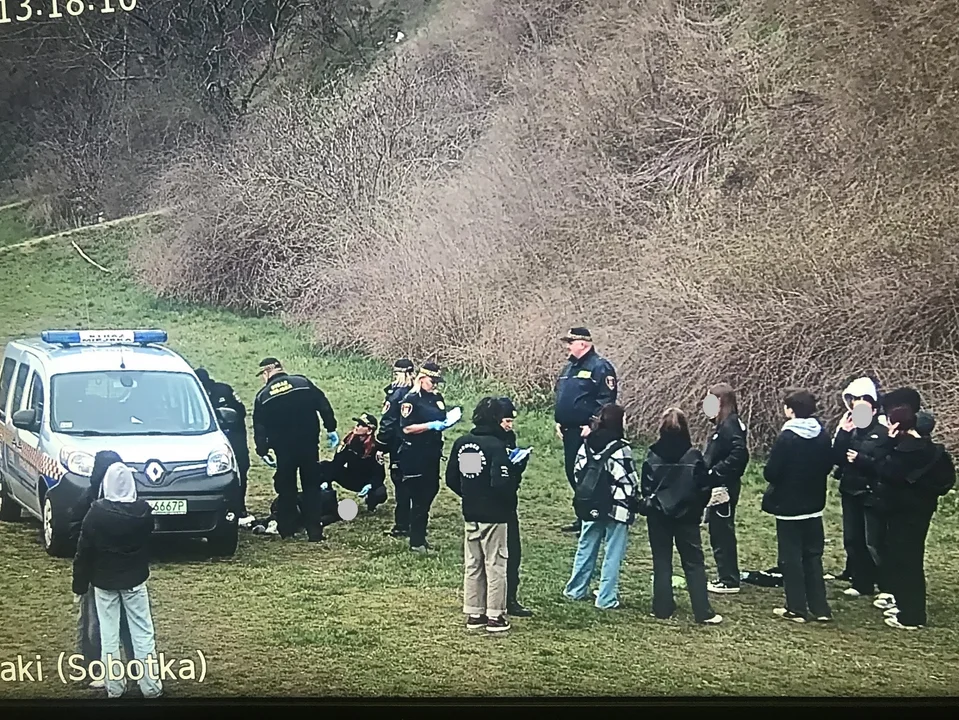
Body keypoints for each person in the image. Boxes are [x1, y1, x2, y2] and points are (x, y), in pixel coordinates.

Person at [71, 463, 163, 699]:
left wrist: (79, 584)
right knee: (143, 633)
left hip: (104, 583)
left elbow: (84, 551)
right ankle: (150, 686)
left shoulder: (96, 513)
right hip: (134, 581)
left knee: (109, 635)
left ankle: (115, 686)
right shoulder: (143, 512)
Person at [867, 389, 955, 630]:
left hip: (899, 513)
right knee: (909, 560)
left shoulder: (900, 453)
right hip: (922, 511)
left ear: (896, 426)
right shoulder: (935, 451)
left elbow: (882, 469)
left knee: (904, 561)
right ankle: (905, 605)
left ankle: (911, 614)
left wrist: (887, 440)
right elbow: (947, 481)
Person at [446, 397, 521, 633]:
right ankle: (495, 616)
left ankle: (474, 612)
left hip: (471, 511)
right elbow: (500, 483)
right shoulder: (495, 446)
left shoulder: (464, 443)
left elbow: (456, 478)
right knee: (496, 563)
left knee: (473, 563)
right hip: (495, 514)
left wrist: (471, 495)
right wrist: (515, 473)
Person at [640, 408, 722, 625]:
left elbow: (646, 487)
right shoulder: (694, 457)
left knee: (661, 561)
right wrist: (695, 509)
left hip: (659, 515)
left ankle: (662, 607)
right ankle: (702, 610)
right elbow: (704, 488)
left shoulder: (652, 455)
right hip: (687, 517)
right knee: (694, 563)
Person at [761, 389, 834, 623]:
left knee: (790, 558)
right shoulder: (822, 434)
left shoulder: (787, 437)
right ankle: (820, 608)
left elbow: (771, 471)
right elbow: (826, 466)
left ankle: (796, 607)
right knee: (813, 556)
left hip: (789, 506)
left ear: (790, 410)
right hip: (814, 504)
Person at [252, 357, 339, 542]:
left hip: (284, 450)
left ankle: (287, 530)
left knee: (286, 490)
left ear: (266, 373)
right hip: (308, 445)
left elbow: (260, 426)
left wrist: (262, 450)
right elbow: (323, 404)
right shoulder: (302, 383)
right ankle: (314, 532)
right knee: (311, 488)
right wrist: (330, 427)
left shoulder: (263, 396)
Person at [68, 450, 134, 690]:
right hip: (99, 573)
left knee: (122, 624)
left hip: (112, 573)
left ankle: (129, 668)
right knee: (93, 624)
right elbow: (77, 535)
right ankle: (94, 668)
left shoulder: (118, 501)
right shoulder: (90, 500)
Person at [563, 404, 638, 610]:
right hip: (617, 507)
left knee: (586, 545)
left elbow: (578, 471)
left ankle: (576, 589)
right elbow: (628, 480)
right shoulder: (621, 447)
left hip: (591, 504)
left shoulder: (587, 444)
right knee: (613, 552)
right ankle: (606, 597)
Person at [553, 327, 618, 535]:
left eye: (571, 342)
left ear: (583, 344)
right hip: (568, 430)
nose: (568, 346)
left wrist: (592, 424)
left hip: (586, 432)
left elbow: (606, 400)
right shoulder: (569, 368)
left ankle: (592, 515)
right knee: (573, 472)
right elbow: (562, 395)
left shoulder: (600, 367)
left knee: (587, 475)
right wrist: (559, 420)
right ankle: (583, 515)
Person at [397, 362, 462, 553]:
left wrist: (446, 421)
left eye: (436, 382)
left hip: (432, 452)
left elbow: (441, 417)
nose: (434, 385)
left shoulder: (436, 398)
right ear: (421, 378)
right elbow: (406, 427)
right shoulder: (411, 400)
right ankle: (416, 541)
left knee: (430, 491)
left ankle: (420, 538)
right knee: (419, 496)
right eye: (432, 381)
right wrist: (430, 425)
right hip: (415, 453)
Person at [701, 382, 749, 594]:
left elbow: (740, 454)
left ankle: (728, 579)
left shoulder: (730, 426)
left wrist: (716, 472)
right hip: (720, 485)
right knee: (718, 529)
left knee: (721, 531)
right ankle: (727, 575)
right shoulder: (725, 424)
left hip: (724, 488)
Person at [195, 367, 254, 526]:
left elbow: (240, 411)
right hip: (209, 440)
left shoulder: (224, 391)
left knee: (240, 470)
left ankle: (239, 508)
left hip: (234, 436)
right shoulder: (194, 393)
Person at [497, 396, 533, 617]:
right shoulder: (477, 443)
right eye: (506, 421)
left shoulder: (509, 438)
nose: (510, 426)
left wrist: (517, 466)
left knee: (513, 554)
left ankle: (510, 598)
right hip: (486, 507)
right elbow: (467, 478)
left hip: (507, 503)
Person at [376, 358, 416, 538]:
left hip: (399, 445)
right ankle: (416, 523)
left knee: (401, 485)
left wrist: (381, 445)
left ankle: (402, 525)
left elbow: (388, 422)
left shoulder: (397, 394)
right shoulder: (419, 391)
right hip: (419, 445)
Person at [319, 413, 388, 511]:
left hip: (366, 481)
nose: (357, 427)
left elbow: (379, 474)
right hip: (350, 477)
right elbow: (336, 464)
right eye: (357, 424)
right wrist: (326, 479)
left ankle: (371, 504)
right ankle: (327, 498)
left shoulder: (375, 448)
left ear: (369, 430)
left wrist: (371, 485)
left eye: (361, 425)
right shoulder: (349, 442)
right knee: (324, 466)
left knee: (380, 492)